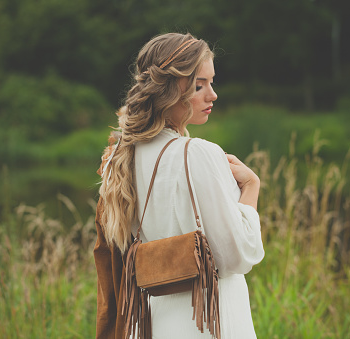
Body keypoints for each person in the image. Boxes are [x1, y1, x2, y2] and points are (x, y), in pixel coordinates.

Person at [94, 32, 265, 339]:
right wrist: (251, 187)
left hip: (151, 322)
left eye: (212, 83)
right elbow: (240, 254)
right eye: (199, 85)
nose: (212, 94)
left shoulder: (120, 158)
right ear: (169, 90)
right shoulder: (199, 154)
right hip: (209, 322)